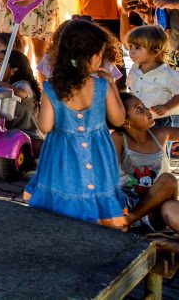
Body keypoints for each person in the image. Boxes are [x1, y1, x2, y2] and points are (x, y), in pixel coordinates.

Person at [23, 19, 127, 227]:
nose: (101, 59)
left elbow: (45, 127)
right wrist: (112, 86)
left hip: (62, 153)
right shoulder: (101, 85)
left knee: (65, 192)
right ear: (90, 57)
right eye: (99, 54)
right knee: (95, 190)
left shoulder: (51, 89)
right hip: (98, 153)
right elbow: (119, 119)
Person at [113, 93, 179, 234]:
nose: (148, 111)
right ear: (125, 122)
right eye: (139, 109)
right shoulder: (119, 138)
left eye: (144, 106)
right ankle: (128, 221)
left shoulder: (161, 133)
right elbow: (110, 177)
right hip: (128, 205)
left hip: (154, 210)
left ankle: (129, 221)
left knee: (169, 180)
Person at [125, 25, 179, 126]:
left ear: (155, 52)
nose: (131, 51)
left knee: (157, 142)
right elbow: (131, 89)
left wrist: (167, 107)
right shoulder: (134, 69)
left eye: (137, 48)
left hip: (158, 119)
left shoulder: (167, 75)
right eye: (130, 46)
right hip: (137, 119)